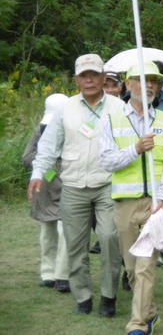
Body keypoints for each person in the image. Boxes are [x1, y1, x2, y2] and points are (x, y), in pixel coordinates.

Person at [27, 54, 122, 316]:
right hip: (73, 185)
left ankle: (108, 296)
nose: (89, 79)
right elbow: (48, 146)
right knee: (75, 244)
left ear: (104, 77)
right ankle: (83, 297)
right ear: (76, 79)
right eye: (83, 75)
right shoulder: (64, 109)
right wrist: (38, 174)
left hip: (107, 184)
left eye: (94, 74)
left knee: (109, 238)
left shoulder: (118, 107)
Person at [99, 61, 163, 335]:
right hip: (124, 204)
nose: (148, 85)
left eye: (154, 81)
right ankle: (151, 313)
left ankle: (137, 325)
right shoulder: (110, 119)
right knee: (133, 270)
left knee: (146, 267)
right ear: (127, 84)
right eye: (142, 79)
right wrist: (135, 149)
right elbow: (107, 161)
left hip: (155, 204)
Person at [22, 93, 71, 294]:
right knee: (47, 234)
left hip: (69, 186)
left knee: (65, 232)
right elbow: (26, 157)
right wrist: (46, 159)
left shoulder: (74, 128)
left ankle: (63, 276)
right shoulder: (39, 131)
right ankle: (48, 274)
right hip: (45, 188)